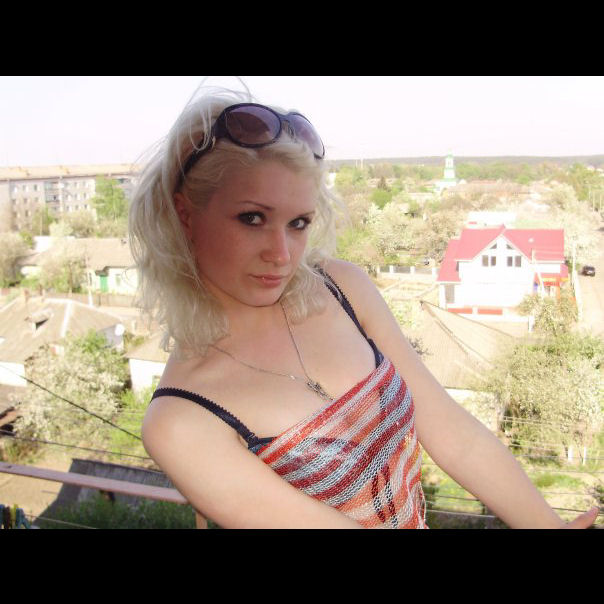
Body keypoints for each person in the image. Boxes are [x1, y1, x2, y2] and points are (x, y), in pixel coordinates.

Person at [130, 82, 599, 529]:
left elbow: (454, 435)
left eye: (298, 223)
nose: (282, 254)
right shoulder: (182, 419)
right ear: (185, 215)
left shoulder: (341, 288)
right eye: (252, 218)